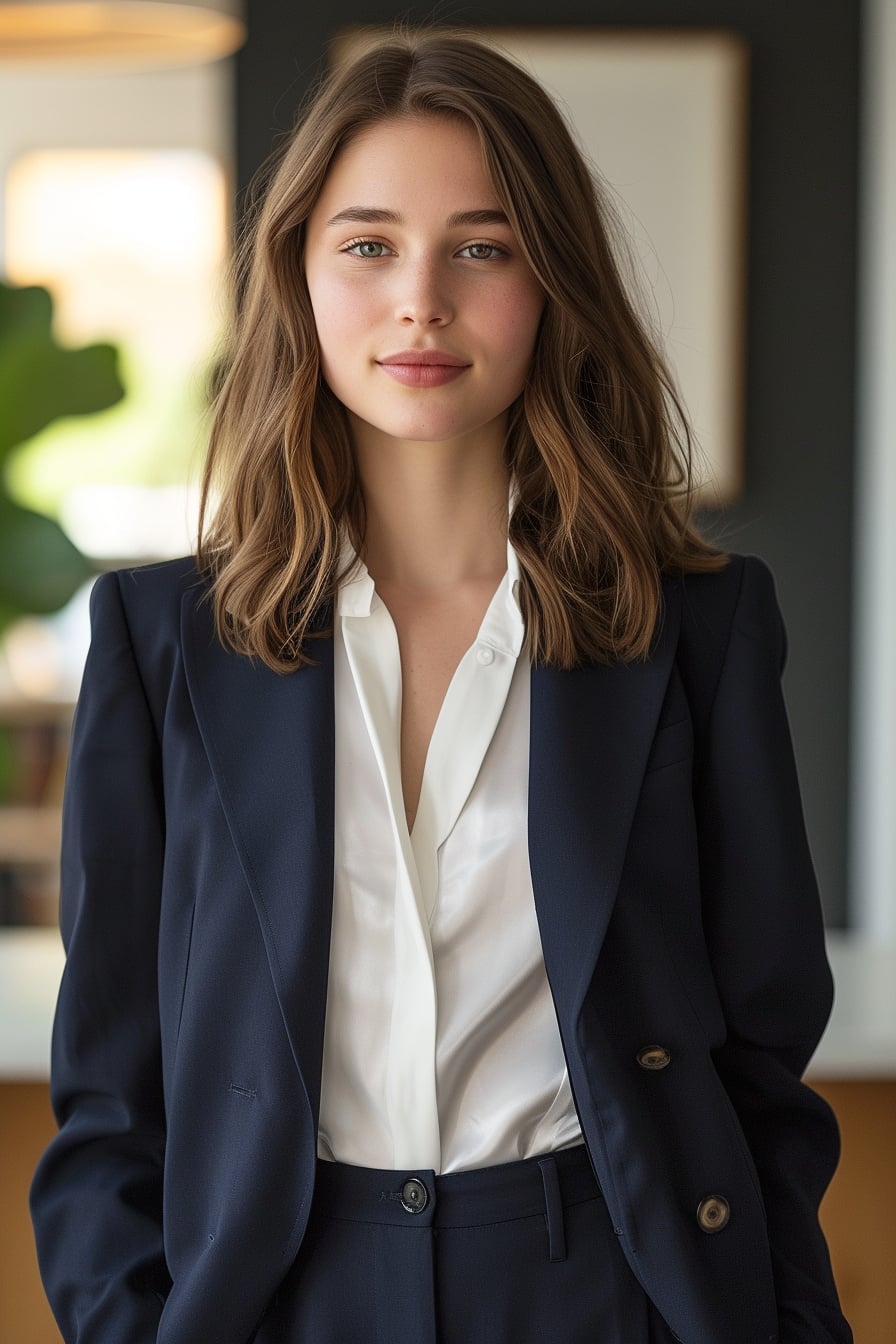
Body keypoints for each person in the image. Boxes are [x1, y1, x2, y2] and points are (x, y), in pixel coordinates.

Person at [31, 26, 852, 1344]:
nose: (421, 299)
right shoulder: (162, 637)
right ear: (298, 277)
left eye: (483, 246)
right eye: (367, 245)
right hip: (277, 1292)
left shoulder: (697, 625)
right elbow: (117, 1094)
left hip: (607, 1285)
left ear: (551, 282)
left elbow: (762, 1054)